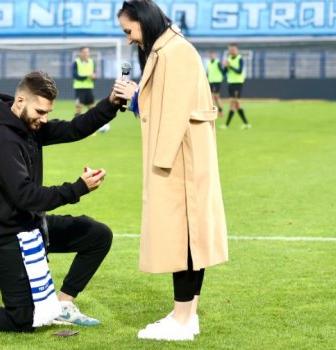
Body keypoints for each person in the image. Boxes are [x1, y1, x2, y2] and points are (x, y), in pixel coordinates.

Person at [0, 71, 125, 333]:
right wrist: (78, 188)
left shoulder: (30, 125)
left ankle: (63, 305)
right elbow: (25, 196)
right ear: (19, 101)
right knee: (22, 321)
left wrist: (112, 103)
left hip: (31, 226)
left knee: (98, 236)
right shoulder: (1, 140)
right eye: (40, 111)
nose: (44, 119)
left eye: (48, 112)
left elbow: (75, 128)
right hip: (4, 236)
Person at [113, 0, 228, 341]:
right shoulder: (171, 48)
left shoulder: (174, 51)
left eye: (128, 30)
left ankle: (182, 320)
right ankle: (186, 315)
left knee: (185, 237)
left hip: (180, 158)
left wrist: (136, 99)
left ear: (143, 21)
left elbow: (173, 111)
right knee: (189, 235)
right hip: (184, 154)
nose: (129, 38)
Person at [222, 43, 251, 129]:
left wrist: (230, 66)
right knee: (236, 104)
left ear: (236, 50)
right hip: (230, 83)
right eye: (230, 50)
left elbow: (239, 71)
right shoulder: (228, 58)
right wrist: (225, 67)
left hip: (238, 83)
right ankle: (246, 124)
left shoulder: (240, 59)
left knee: (233, 103)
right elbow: (224, 73)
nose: (231, 51)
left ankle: (226, 125)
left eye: (233, 50)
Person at [207, 51, 225, 119]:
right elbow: (208, 73)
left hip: (217, 82)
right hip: (211, 82)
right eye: (210, 56)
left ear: (215, 56)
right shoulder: (209, 64)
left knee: (215, 97)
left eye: (212, 55)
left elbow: (223, 72)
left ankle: (218, 111)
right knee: (214, 97)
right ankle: (218, 111)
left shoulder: (217, 63)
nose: (211, 57)